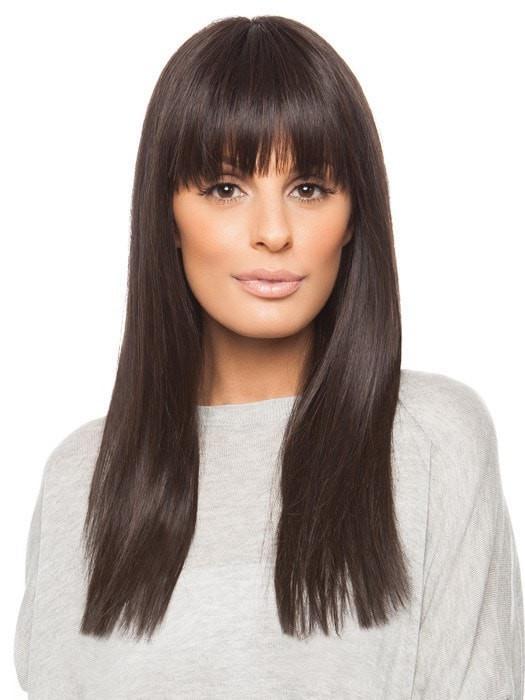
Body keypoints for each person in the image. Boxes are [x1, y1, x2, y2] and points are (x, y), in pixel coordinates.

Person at [13, 14, 524, 699]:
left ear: (353, 216)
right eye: (225, 188)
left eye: (308, 188)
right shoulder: (81, 476)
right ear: (167, 215)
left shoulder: (432, 438)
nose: (274, 232)